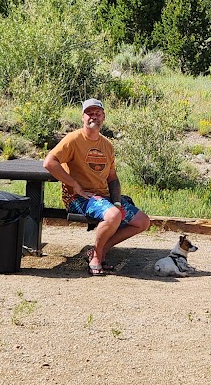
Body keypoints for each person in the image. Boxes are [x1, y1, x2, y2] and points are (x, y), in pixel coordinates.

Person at [43, 98, 150, 275]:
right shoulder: (73, 139)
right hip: (79, 198)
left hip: (104, 198)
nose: (94, 117)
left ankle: (98, 251)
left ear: (103, 117)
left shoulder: (107, 145)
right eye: (89, 113)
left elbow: (113, 178)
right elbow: (49, 162)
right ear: (83, 117)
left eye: (97, 113)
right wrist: (74, 185)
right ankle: (97, 258)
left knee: (142, 221)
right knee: (113, 216)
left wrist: (116, 202)